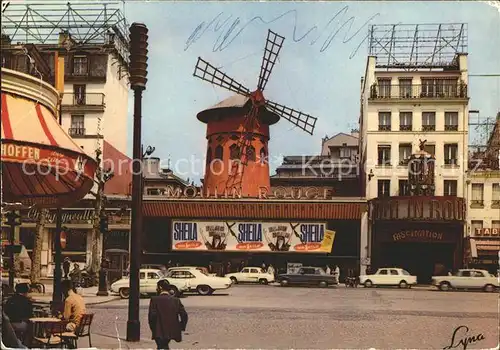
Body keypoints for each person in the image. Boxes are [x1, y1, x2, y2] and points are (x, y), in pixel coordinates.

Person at [148, 279, 188, 350]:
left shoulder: (154, 300)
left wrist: (153, 328)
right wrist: (181, 326)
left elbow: (152, 316)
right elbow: (184, 315)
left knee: (161, 346)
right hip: (171, 329)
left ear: (160, 288)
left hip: (158, 330)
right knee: (165, 346)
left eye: (157, 287)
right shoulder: (176, 300)